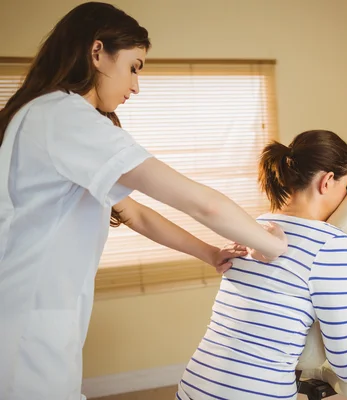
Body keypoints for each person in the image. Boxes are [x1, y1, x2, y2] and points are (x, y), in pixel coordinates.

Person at [0, 2, 287, 400]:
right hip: (27, 324)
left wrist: (209, 253)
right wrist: (272, 243)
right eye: (134, 67)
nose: (136, 86)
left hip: (34, 315)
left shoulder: (43, 117)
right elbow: (200, 203)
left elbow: (134, 213)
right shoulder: (64, 117)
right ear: (97, 52)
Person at [177, 130, 347, 400]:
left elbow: (269, 322)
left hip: (193, 385)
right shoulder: (331, 243)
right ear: (327, 181)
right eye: (346, 187)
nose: (346, 196)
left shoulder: (256, 226)